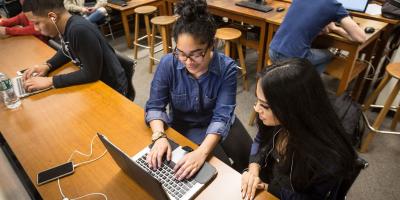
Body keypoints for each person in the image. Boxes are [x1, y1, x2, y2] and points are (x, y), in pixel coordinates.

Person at [145, 0, 240, 180]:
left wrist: (202, 152)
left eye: (196, 54)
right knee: (217, 175)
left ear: (212, 44)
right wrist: (159, 136)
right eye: (181, 53)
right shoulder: (168, 64)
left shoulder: (227, 69)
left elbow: (221, 117)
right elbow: (155, 106)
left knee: (238, 169)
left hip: (215, 123)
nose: (188, 61)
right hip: (183, 127)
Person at [241, 59, 357, 199]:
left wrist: (267, 188)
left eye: (264, 105)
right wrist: (254, 169)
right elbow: (260, 139)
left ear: (292, 110)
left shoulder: (327, 158)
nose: (256, 108)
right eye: (257, 101)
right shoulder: (277, 122)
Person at [22, 0, 128, 96]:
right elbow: (67, 48)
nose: (36, 29)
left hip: (113, 89)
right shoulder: (67, 26)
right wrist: (48, 65)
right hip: (99, 84)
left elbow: (91, 74)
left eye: (37, 23)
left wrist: (51, 81)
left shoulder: (78, 30)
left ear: (53, 17)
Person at [269, 0, 367, 73]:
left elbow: (320, 25)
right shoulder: (333, 5)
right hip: (292, 58)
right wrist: (336, 29)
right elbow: (361, 38)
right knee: (329, 54)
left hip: (272, 50)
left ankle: (301, 80)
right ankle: (309, 88)